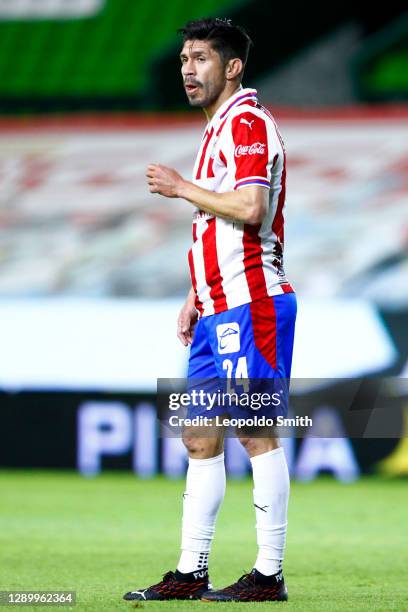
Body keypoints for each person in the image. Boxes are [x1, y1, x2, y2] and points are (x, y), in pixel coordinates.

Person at [123, 17, 296, 603]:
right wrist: (197, 292)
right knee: (200, 437)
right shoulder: (216, 129)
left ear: (233, 67)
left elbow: (250, 207)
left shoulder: (247, 121)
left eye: (200, 58)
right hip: (218, 308)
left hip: (253, 305)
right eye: (183, 60)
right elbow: (220, 226)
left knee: (255, 432)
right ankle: (190, 572)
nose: (188, 69)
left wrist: (179, 187)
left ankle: (268, 575)